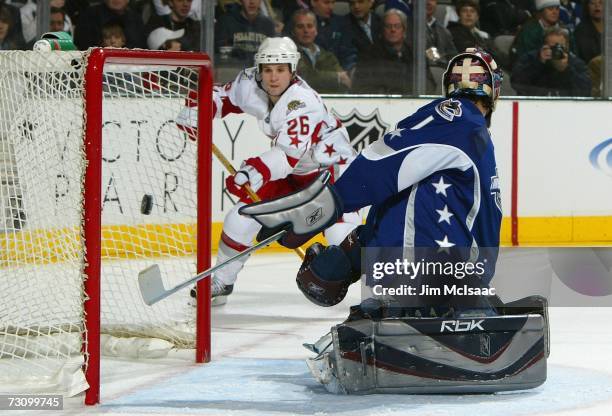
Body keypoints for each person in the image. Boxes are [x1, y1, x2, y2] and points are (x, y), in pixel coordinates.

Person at [237, 48, 547, 394]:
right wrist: (322, 209)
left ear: (449, 86)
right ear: (494, 91)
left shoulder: (459, 130)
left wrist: (353, 252)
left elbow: (397, 186)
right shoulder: (459, 121)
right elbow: (383, 169)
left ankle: (400, 313)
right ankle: (420, 315)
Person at [176, 37, 361, 302]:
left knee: (341, 237)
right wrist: (198, 110)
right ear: (259, 69)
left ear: (292, 70)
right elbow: (222, 97)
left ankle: (381, 294)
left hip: (329, 176)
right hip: (293, 174)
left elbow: (287, 157)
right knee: (240, 218)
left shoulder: (303, 101)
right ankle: (222, 283)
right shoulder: (250, 82)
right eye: (267, 69)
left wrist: (251, 173)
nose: (273, 77)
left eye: (281, 70)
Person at [511, 27, 590, 96]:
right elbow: (516, 84)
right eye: (552, 47)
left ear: (568, 46)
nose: (556, 51)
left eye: (560, 47)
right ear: (543, 45)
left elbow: (585, 92)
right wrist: (539, 64)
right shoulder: (530, 58)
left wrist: (566, 70)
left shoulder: (576, 63)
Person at [291, 9, 351, 93]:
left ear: (316, 30)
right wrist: (336, 77)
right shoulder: (290, 53)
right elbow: (303, 77)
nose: (306, 31)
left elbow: (344, 83)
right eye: (300, 27)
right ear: (293, 31)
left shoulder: (328, 56)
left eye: (310, 26)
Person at [73, 0, 146, 49]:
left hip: (132, 66)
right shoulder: (90, 15)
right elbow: (84, 47)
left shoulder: (136, 18)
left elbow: (142, 47)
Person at [310, 0, 357, 71]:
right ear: (313, 2)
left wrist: (349, 70)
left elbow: (348, 51)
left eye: (333, 2)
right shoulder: (301, 23)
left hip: (340, 71)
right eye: (326, 2)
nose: (331, 7)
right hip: (312, 73)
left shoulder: (341, 22)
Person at [574, 0, 603, 65]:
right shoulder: (581, 30)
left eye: (600, 2)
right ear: (587, 7)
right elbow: (588, 58)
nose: (597, 6)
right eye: (592, 3)